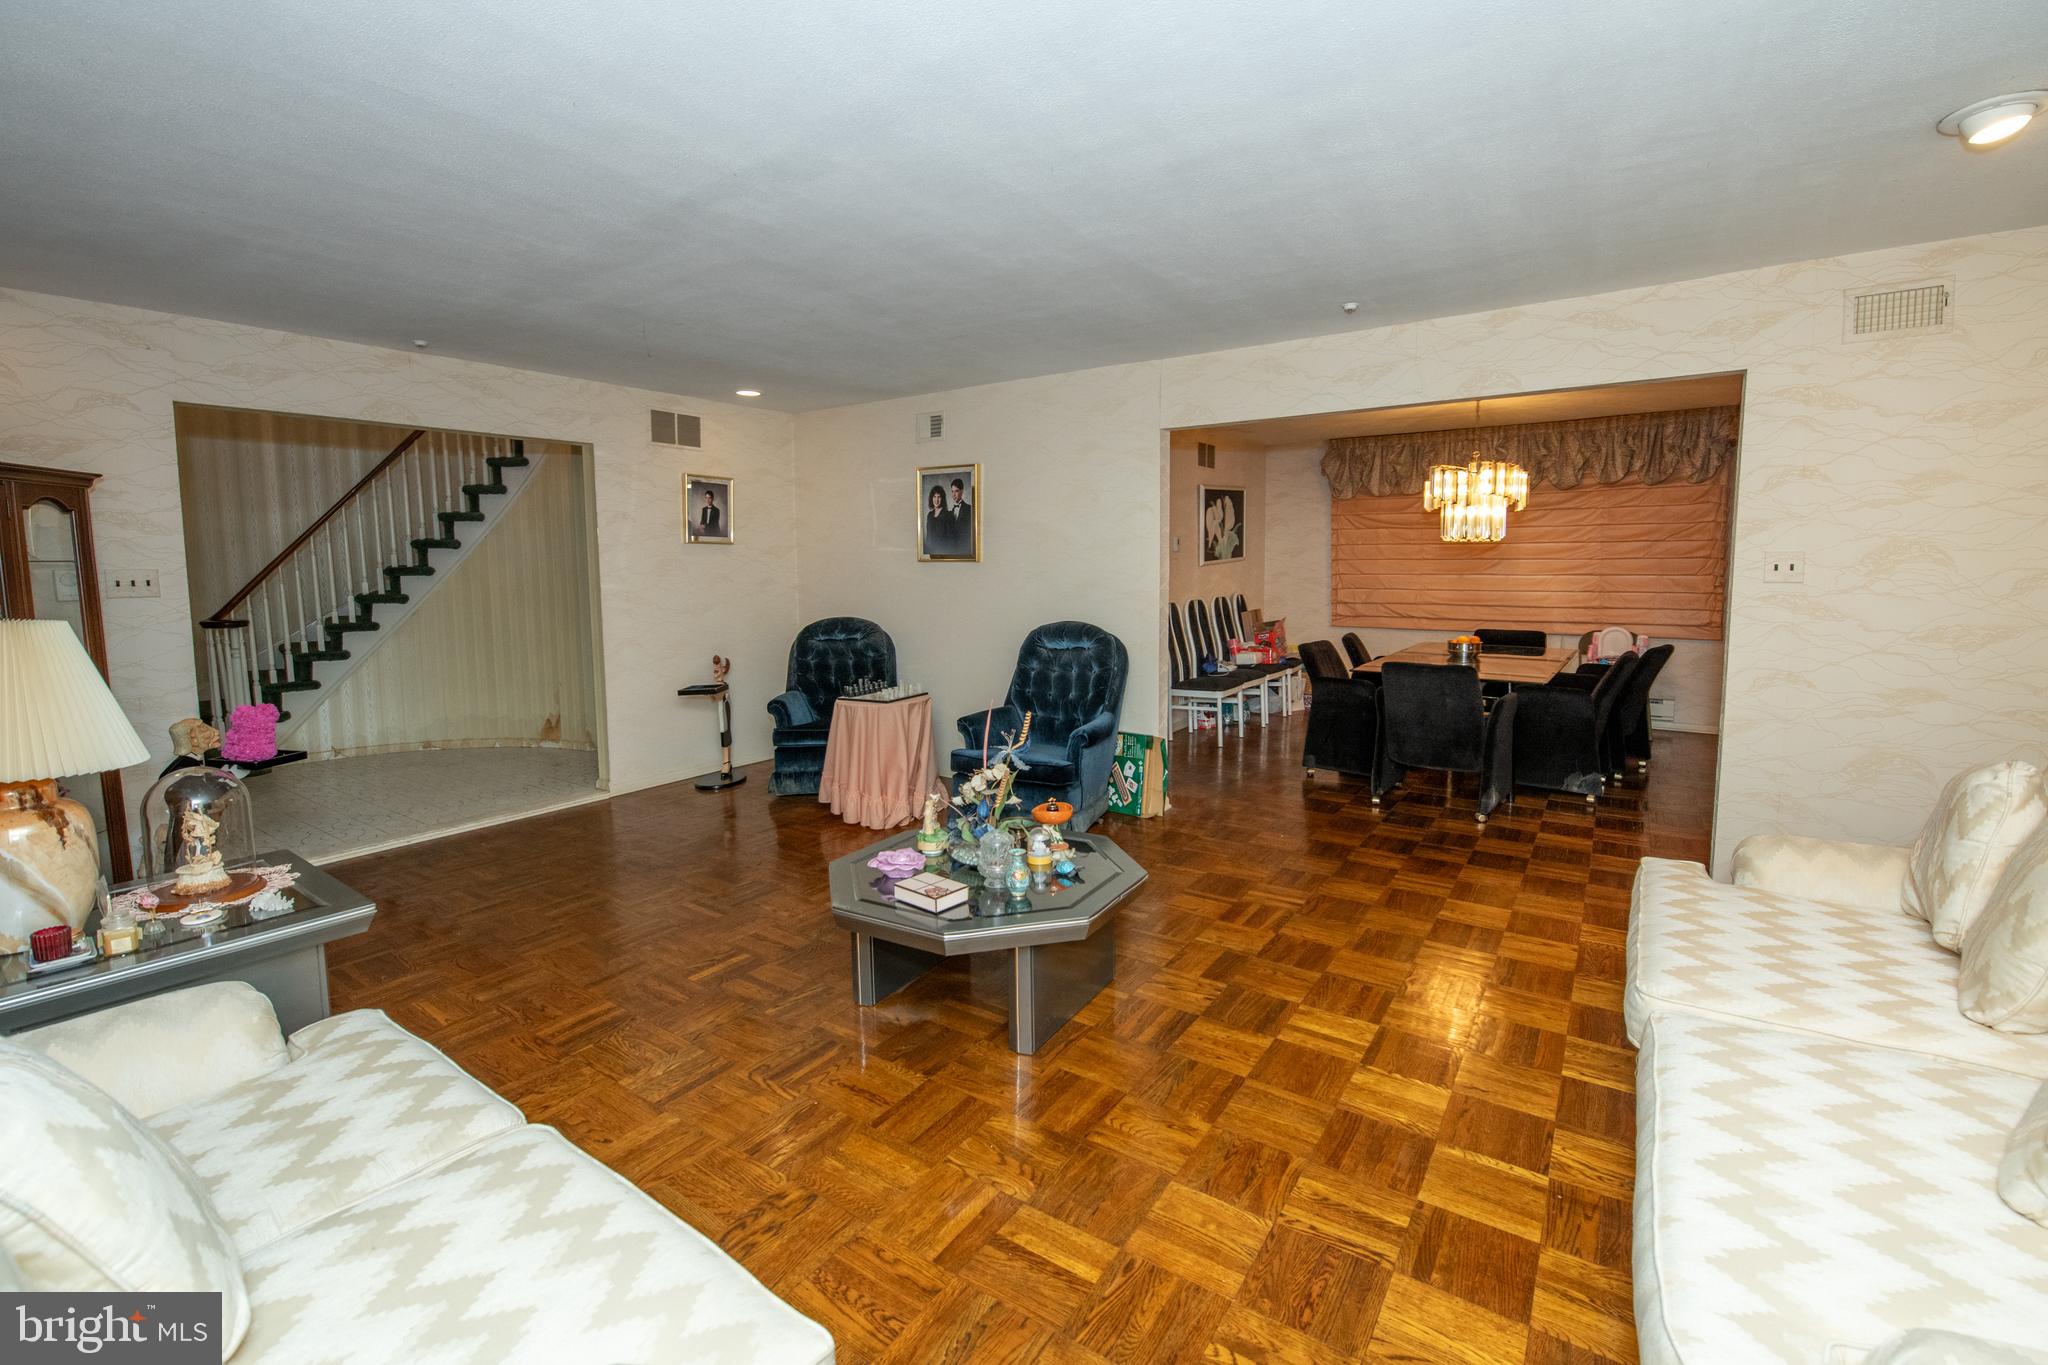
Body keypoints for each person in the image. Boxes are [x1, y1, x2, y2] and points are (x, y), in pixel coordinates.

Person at [923, 484, 956, 556]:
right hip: (931, 553)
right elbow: (928, 538)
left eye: (939, 497)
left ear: (942, 499)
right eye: (934, 496)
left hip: (943, 554)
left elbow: (951, 541)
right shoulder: (929, 515)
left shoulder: (948, 515)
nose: (936, 500)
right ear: (931, 498)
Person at [946, 476, 973, 547]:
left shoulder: (969, 509)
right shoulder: (950, 512)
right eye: (952, 491)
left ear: (962, 491)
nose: (953, 494)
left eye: (956, 491)